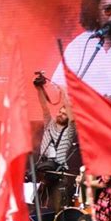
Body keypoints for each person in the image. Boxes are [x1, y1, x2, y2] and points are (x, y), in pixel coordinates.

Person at [35, 76, 77, 212]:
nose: (60, 114)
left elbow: (72, 115)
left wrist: (64, 92)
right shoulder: (49, 123)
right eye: (60, 111)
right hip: (43, 172)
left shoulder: (69, 130)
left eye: (64, 114)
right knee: (39, 208)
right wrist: (39, 89)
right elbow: (44, 107)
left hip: (59, 175)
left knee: (58, 210)